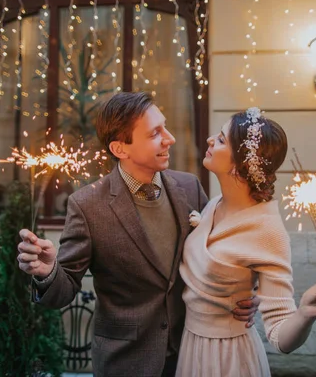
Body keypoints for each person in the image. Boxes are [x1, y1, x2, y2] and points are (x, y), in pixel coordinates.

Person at [16, 92, 259, 377]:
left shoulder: (190, 187)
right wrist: (48, 272)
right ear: (121, 149)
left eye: (165, 127)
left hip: (193, 355)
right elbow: (64, 290)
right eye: (155, 133)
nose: (169, 138)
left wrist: (246, 292)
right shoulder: (87, 206)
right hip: (126, 363)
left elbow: (219, 256)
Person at [175, 107, 316, 376]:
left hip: (229, 358)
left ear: (240, 163)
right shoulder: (212, 206)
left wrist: (304, 314)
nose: (210, 139)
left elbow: (280, 336)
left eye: (221, 139)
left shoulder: (268, 231)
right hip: (191, 348)